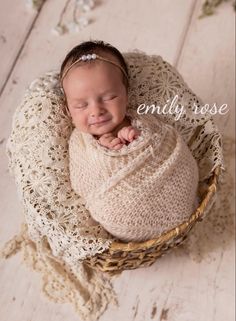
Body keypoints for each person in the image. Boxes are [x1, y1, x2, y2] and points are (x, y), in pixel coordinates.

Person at [60, 40, 199, 242]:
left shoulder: (142, 120)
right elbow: (83, 182)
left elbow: (165, 142)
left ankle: (176, 220)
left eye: (109, 97)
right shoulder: (79, 144)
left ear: (126, 94)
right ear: (68, 109)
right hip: (121, 213)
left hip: (171, 191)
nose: (96, 111)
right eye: (81, 105)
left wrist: (134, 138)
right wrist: (104, 152)